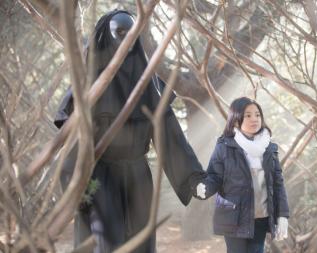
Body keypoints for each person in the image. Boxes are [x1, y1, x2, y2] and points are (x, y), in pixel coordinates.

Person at [54, 10, 205, 253]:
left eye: (131, 35)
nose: (125, 41)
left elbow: (171, 138)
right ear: (107, 37)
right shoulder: (87, 87)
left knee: (141, 244)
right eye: (120, 33)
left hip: (138, 178)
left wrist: (193, 179)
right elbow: (71, 147)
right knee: (104, 244)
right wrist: (78, 191)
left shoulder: (150, 86)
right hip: (99, 178)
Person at [195, 97, 290, 253]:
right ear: (236, 120)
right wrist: (204, 187)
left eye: (257, 115)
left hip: (261, 216)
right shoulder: (224, 146)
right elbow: (214, 176)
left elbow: (278, 184)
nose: (254, 119)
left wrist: (283, 215)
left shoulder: (270, 148)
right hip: (234, 217)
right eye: (248, 115)